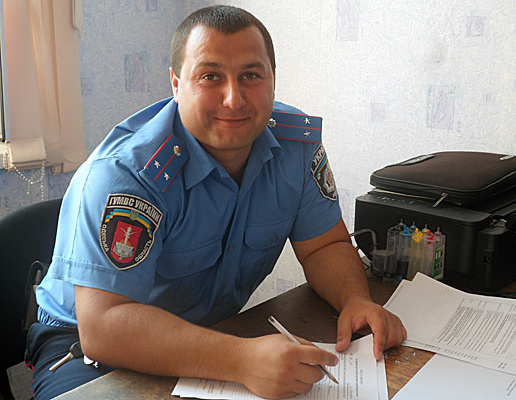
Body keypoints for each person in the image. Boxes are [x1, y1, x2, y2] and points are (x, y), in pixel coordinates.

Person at [26, 5, 406, 399]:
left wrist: (355, 299)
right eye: (210, 77)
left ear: (273, 80)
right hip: (83, 348)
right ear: (176, 85)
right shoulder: (129, 175)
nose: (233, 99)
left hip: (205, 337)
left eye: (250, 76)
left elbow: (324, 247)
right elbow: (104, 327)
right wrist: (242, 359)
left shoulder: (297, 148)